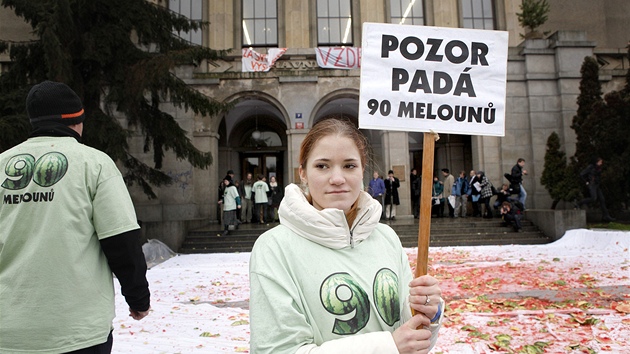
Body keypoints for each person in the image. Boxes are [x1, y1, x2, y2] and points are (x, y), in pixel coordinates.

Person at [249, 118, 443, 353]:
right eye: (322, 166)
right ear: (303, 172)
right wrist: (387, 347)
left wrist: (428, 314)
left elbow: (410, 338)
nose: (338, 178)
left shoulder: (385, 237)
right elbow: (278, 350)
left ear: (363, 170)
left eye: (349, 165)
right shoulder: (275, 248)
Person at [0, 81, 150, 353]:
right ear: (77, 121)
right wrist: (138, 298)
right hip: (76, 330)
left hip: (8, 331)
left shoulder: (1, 164)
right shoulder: (93, 163)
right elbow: (121, 238)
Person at [575, 157, 615, 222]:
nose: (601, 163)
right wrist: (587, 181)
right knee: (593, 198)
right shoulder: (591, 167)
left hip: (597, 185)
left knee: (602, 199)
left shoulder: (598, 168)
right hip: (592, 184)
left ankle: (606, 215)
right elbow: (582, 174)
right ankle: (579, 203)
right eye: (600, 162)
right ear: (596, 162)